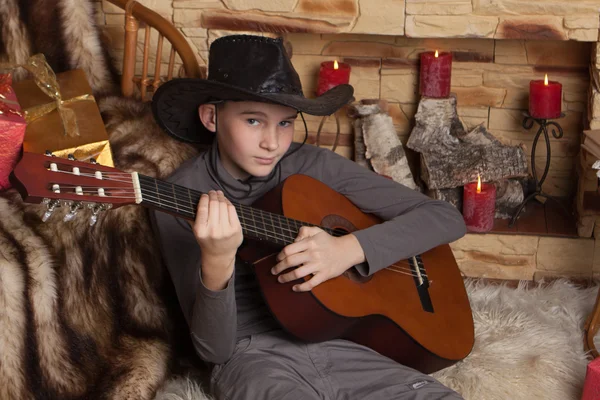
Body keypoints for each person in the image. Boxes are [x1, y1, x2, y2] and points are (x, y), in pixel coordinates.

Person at [150, 34, 467, 400]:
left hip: (349, 342)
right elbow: (214, 351)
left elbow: (445, 217)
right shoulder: (180, 195)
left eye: (285, 123)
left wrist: (349, 250)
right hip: (256, 357)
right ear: (211, 116)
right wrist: (217, 260)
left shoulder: (312, 166)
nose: (272, 142)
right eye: (253, 121)